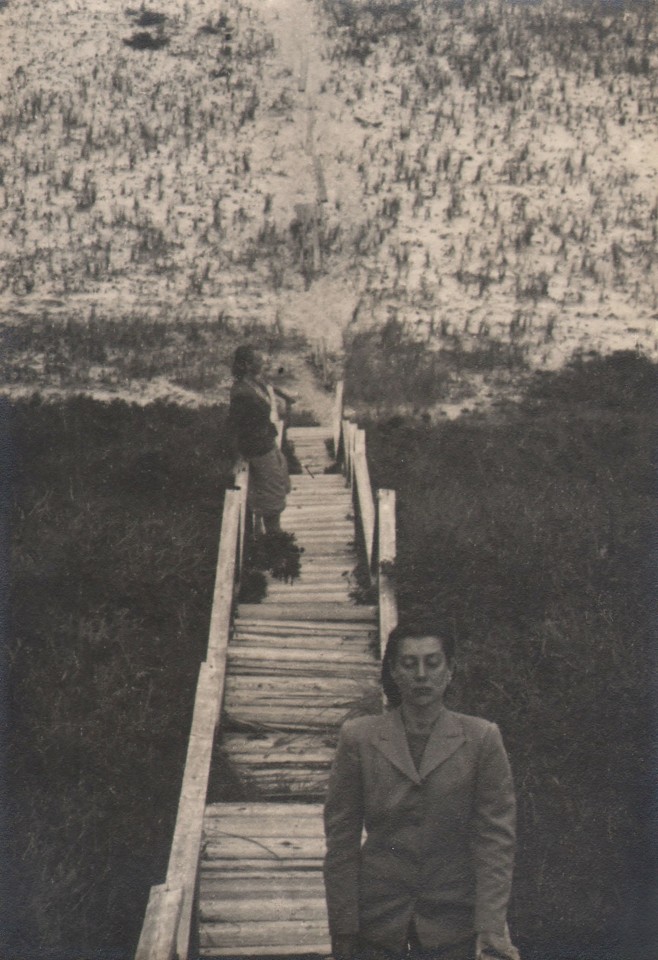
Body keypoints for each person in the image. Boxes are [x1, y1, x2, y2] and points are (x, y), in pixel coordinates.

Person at [323, 616, 520, 960]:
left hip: (454, 920)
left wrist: (490, 926)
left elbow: (495, 841)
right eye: (409, 664)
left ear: (450, 669)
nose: (421, 675)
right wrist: (343, 926)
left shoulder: (482, 738)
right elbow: (341, 839)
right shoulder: (359, 737)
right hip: (378, 920)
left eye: (432, 662)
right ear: (394, 672)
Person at [228, 344, 293, 534]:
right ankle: (274, 540)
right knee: (272, 495)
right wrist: (238, 456)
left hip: (267, 444)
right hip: (257, 449)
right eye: (259, 360)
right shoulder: (242, 392)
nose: (264, 362)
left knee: (279, 484)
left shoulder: (256, 384)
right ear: (248, 365)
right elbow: (235, 426)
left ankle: (272, 537)